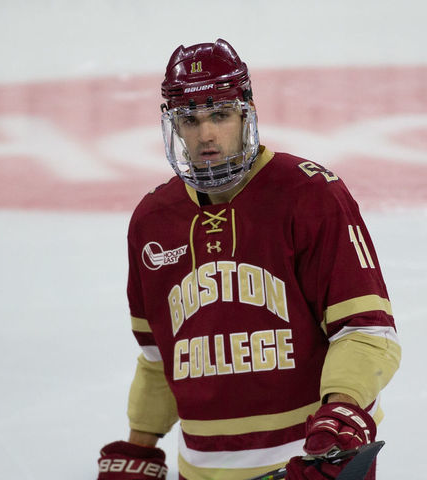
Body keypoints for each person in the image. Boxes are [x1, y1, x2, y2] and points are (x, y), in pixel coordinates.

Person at [97, 39, 401, 480]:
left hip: (308, 463)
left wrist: (341, 418)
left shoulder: (310, 196)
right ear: (174, 126)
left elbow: (365, 330)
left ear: (246, 111)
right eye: (190, 119)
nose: (205, 135)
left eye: (219, 114)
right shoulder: (152, 220)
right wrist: (139, 443)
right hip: (201, 470)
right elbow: (158, 358)